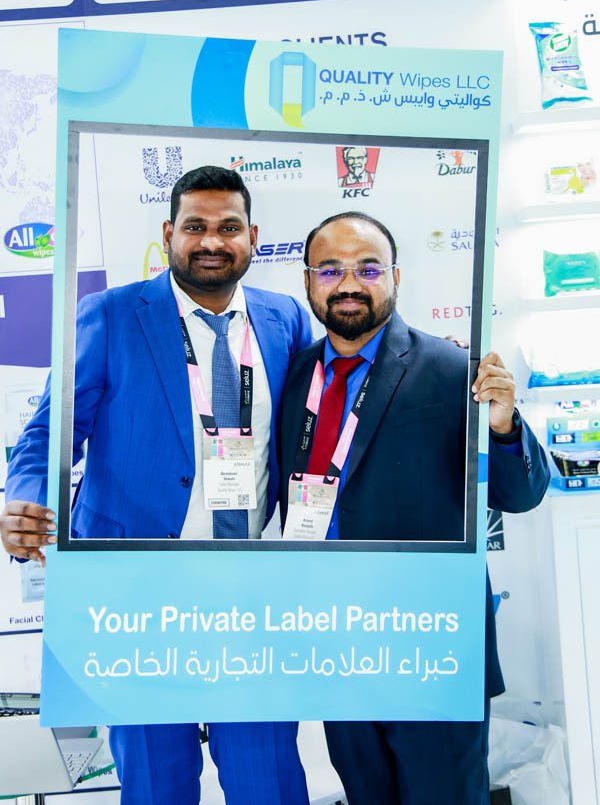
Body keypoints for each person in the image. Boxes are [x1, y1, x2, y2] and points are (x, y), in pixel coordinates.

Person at [0, 165, 312, 805]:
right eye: (195, 226)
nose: (211, 241)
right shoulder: (111, 315)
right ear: (169, 234)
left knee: (268, 779)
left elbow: (324, 416)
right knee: (155, 783)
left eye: (229, 227)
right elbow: (51, 431)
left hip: (250, 590)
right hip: (136, 593)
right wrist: (28, 495)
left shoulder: (284, 318)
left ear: (253, 237)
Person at [278, 210, 550, 805]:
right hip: (336, 643)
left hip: (431, 646)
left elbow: (521, 494)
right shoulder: (294, 377)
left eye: (368, 268)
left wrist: (504, 426)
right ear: (308, 282)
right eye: (330, 269)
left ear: (395, 277)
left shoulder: (454, 369)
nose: (349, 283)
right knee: (366, 792)